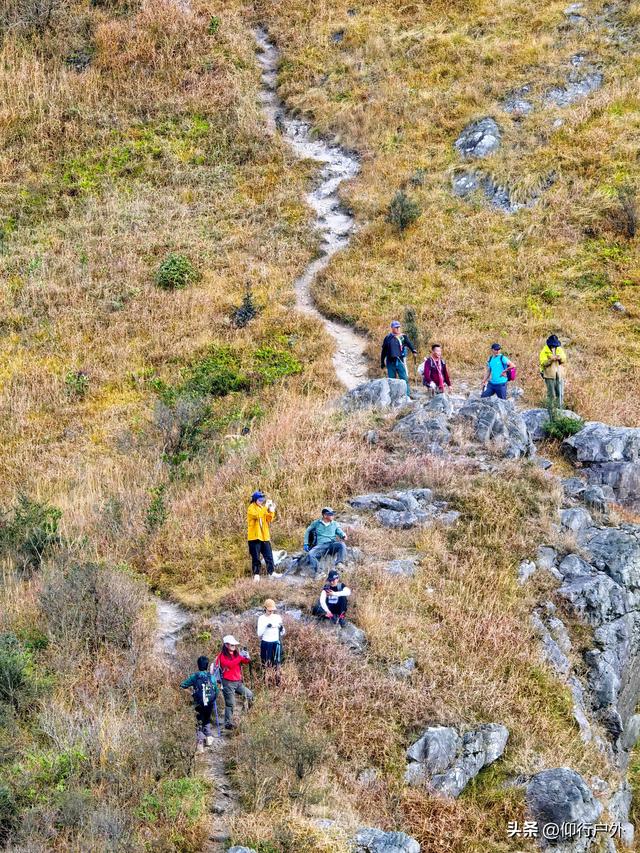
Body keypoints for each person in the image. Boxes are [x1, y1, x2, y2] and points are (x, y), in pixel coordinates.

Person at [211, 636, 253, 730]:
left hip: (238, 682)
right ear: (226, 645)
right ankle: (228, 723)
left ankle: (246, 714)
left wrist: (247, 657)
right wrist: (240, 657)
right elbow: (229, 664)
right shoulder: (222, 656)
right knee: (230, 704)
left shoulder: (236, 654)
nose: (234, 646)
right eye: (232, 644)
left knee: (250, 695)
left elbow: (245, 661)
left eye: (234, 644)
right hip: (228, 683)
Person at [180, 655, 218, 753]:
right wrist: (213, 699)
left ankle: (200, 744)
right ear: (207, 665)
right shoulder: (211, 677)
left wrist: (192, 693)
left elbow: (182, 686)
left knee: (199, 721)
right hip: (209, 703)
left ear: (198, 665)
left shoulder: (195, 676)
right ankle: (209, 738)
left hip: (199, 703)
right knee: (207, 719)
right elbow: (216, 690)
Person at [247, 490, 280, 582]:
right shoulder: (251, 508)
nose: (261, 501)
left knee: (269, 556)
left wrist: (272, 511)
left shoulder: (262, 507)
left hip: (264, 536)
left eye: (262, 499)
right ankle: (256, 574)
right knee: (256, 557)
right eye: (260, 499)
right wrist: (265, 507)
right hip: (254, 537)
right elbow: (258, 516)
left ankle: (271, 572)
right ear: (255, 499)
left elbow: (268, 519)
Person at [303, 507, 347, 574]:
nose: (333, 516)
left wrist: (343, 535)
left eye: (333, 514)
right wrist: (306, 543)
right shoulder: (316, 523)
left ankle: (339, 564)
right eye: (330, 514)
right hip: (321, 546)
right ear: (325, 515)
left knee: (341, 544)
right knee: (311, 554)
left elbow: (339, 531)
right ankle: (319, 572)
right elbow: (307, 531)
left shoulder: (335, 523)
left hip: (332, 544)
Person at [380, 320, 417, 397]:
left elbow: (409, 343)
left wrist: (413, 350)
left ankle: (407, 396)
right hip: (390, 362)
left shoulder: (403, 337)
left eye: (398, 327)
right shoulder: (387, 338)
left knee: (404, 379)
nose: (398, 329)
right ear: (392, 328)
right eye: (396, 327)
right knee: (392, 380)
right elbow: (384, 351)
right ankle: (393, 396)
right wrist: (382, 362)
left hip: (400, 361)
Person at [257, 599, 285, 685]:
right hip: (266, 643)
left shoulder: (277, 617)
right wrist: (266, 626)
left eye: (272, 610)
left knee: (277, 664)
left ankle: (277, 682)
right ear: (265, 608)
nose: (271, 612)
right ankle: (266, 682)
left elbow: (283, 632)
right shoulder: (261, 618)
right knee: (266, 663)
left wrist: (281, 628)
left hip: (276, 643)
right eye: (269, 610)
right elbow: (259, 633)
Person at [539, 334, 567, 409]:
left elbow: (564, 359)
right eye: (552, 345)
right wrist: (550, 360)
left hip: (559, 374)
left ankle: (560, 408)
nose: (554, 347)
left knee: (560, 393)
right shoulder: (544, 351)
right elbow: (543, 363)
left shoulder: (559, 349)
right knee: (551, 394)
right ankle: (550, 409)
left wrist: (559, 358)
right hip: (549, 375)